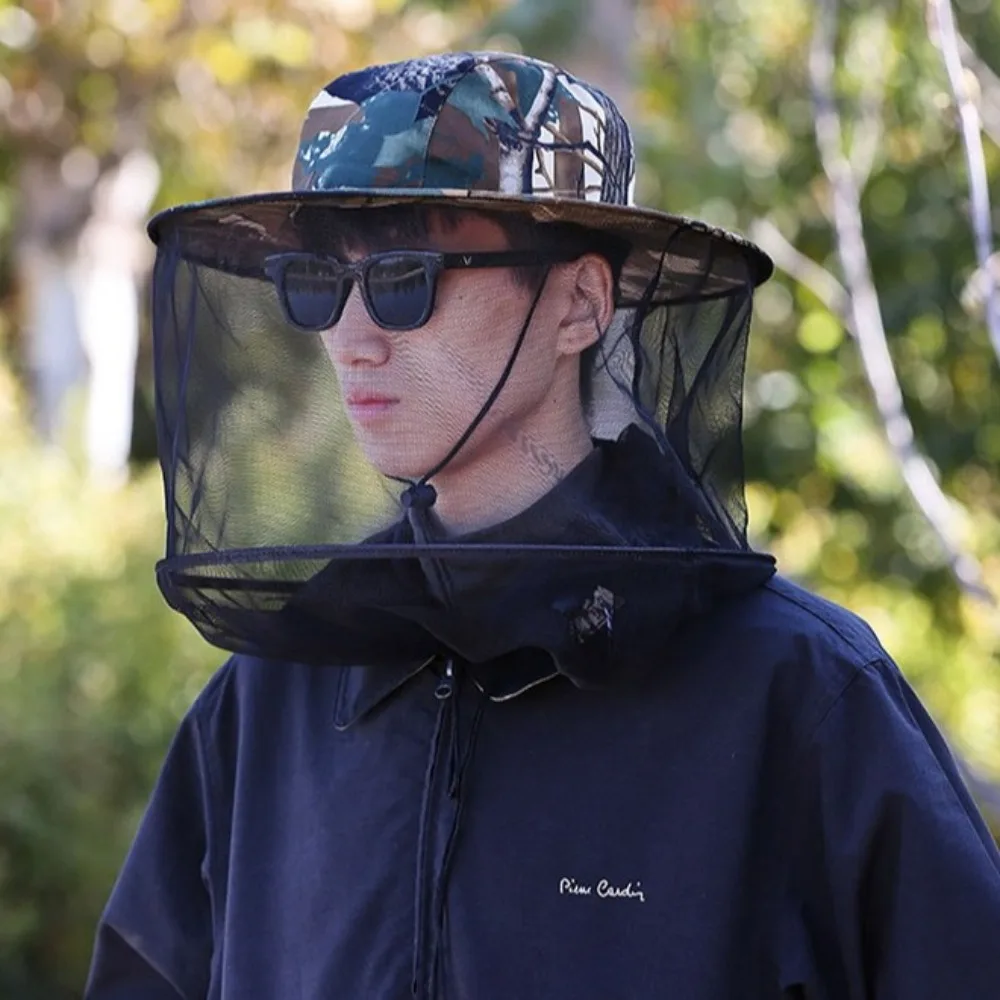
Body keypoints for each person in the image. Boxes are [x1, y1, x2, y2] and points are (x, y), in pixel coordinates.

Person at [86, 51, 1000, 1000]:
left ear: (579, 304)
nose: (351, 338)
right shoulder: (269, 699)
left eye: (405, 279)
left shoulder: (792, 693)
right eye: (317, 283)